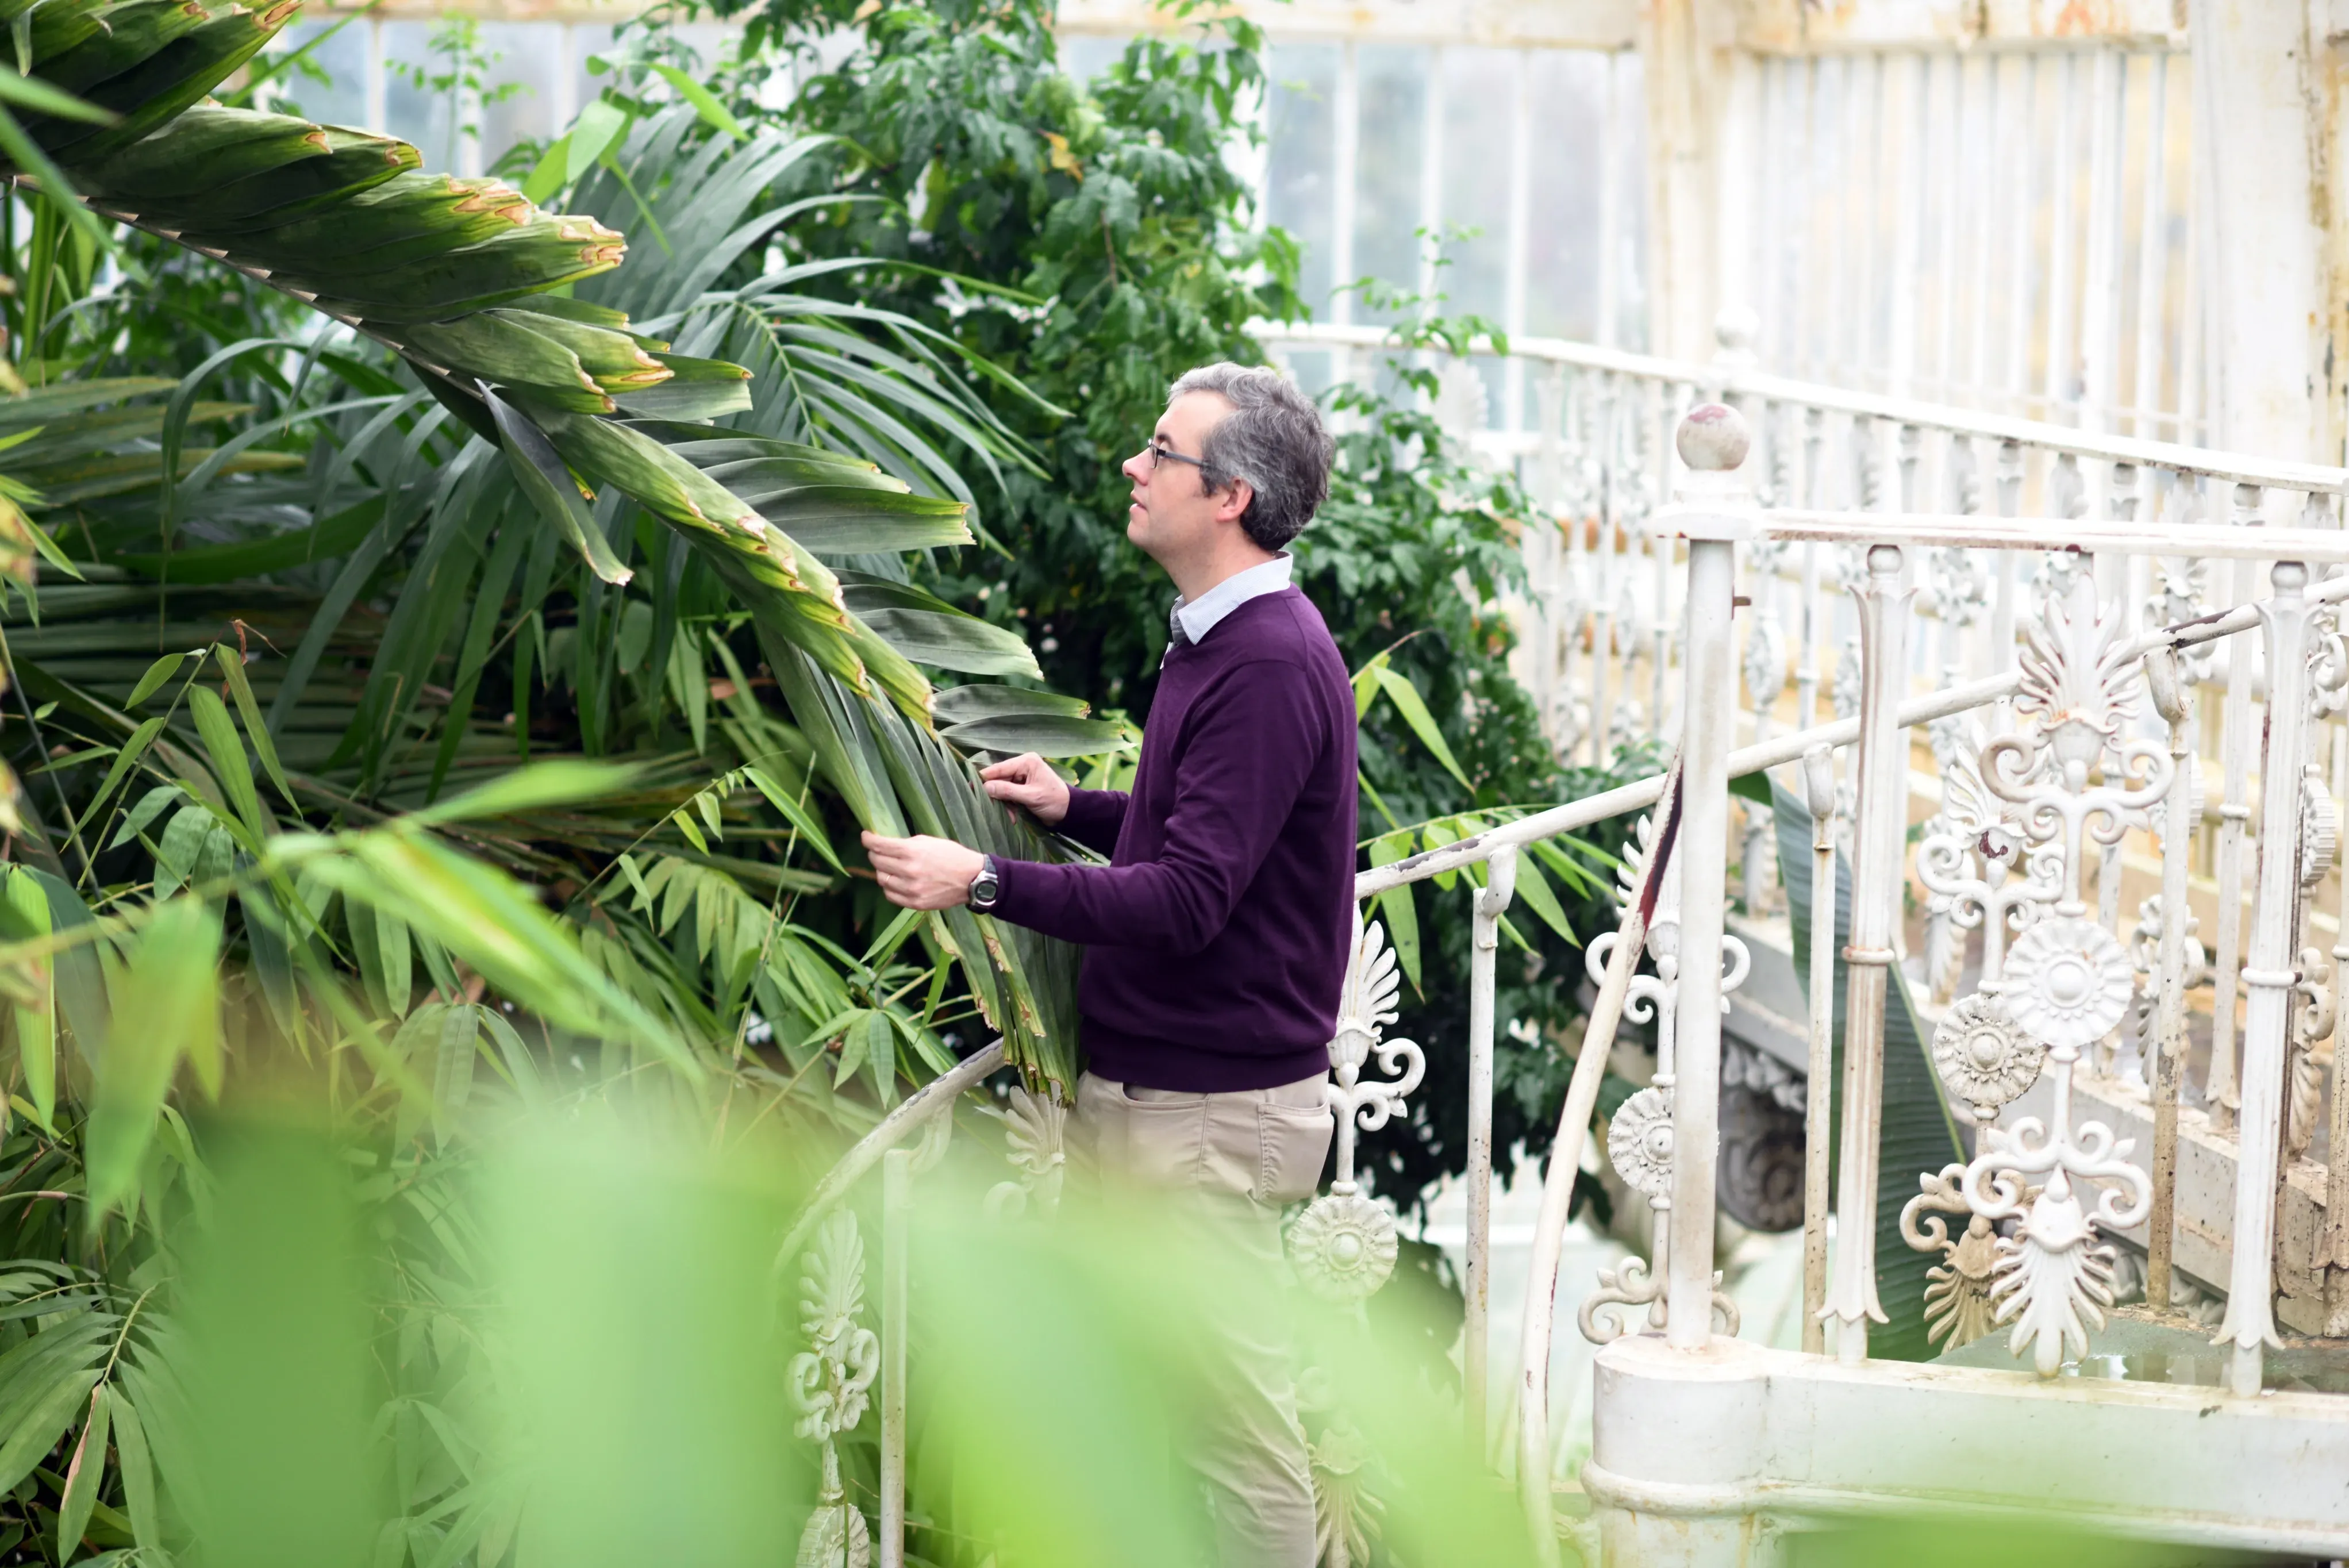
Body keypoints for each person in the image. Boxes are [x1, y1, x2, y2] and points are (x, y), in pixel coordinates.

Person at [861, 362, 1356, 1567]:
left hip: (1205, 1117)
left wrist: (979, 879)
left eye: (1160, 453)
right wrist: (1075, 801)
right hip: (1176, 1103)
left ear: (1228, 495)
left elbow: (1191, 899)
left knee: (1236, 1442)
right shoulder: (1228, 640)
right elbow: (1213, 834)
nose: (1135, 470)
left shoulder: (1267, 661)